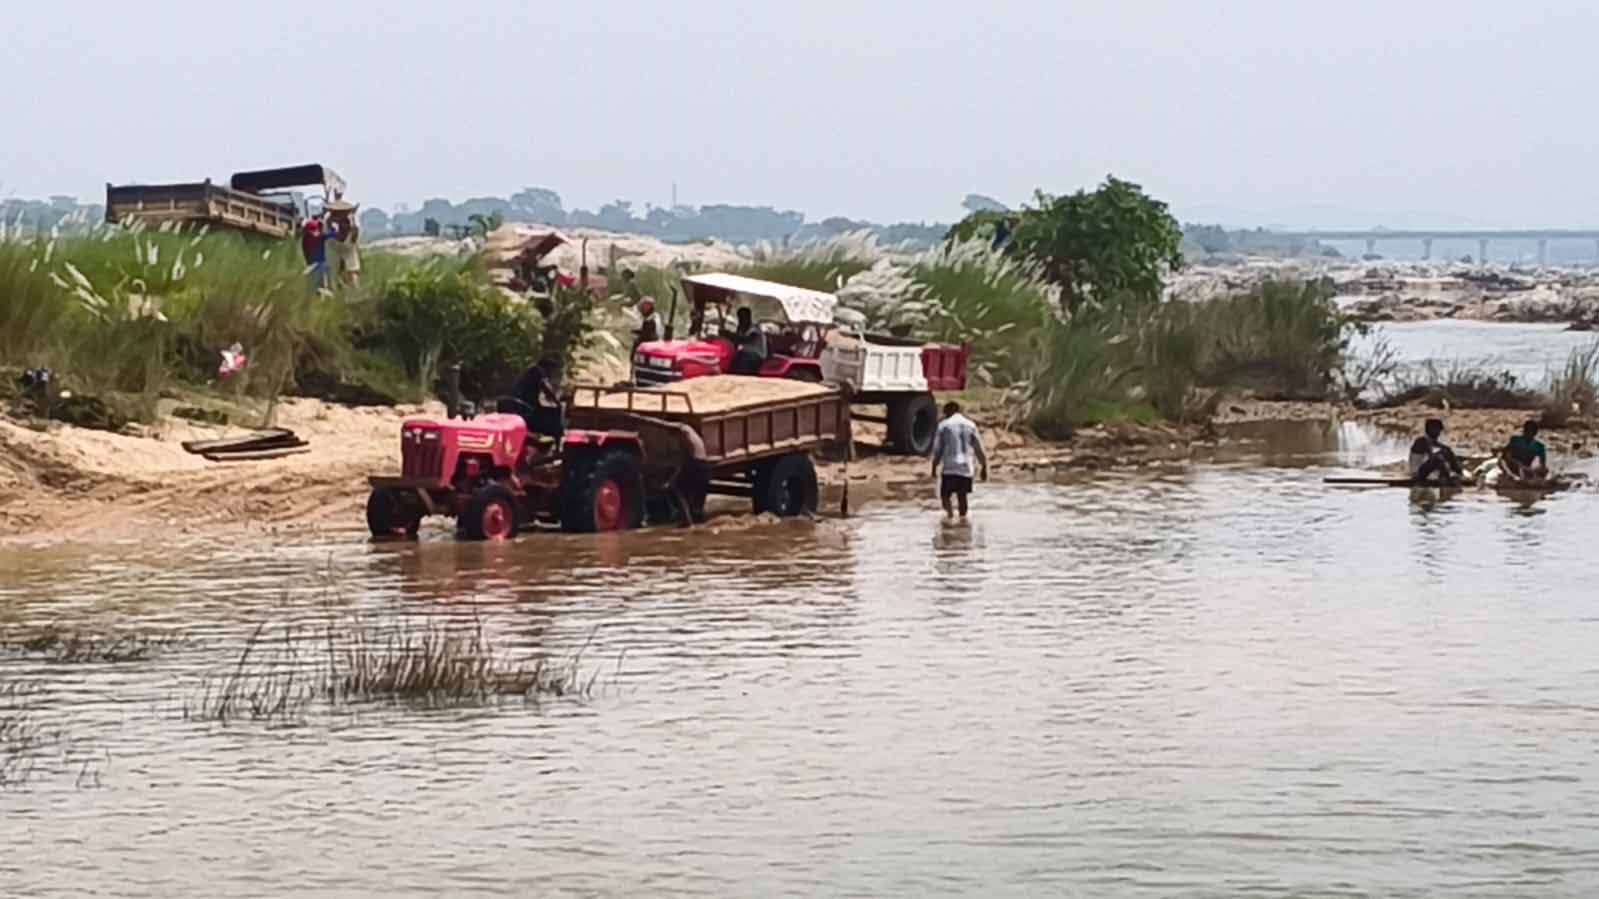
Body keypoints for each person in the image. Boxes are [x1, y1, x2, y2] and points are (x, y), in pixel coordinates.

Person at [930, 401, 988, 520]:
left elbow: (938, 449)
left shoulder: (944, 425)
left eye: (945, 412)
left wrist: (934, 466)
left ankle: (950, 517)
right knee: (962, 496)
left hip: (950, 466)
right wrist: (984, 466)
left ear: (949, 410)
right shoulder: (970, 425)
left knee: (945, 495)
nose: (944, 414)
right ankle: (963, 521)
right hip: (967, 467)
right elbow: (978, 448)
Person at [510, 357, 564, 442]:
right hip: (525, 406)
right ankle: (554, 437)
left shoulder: (530, 370)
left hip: (518, 403)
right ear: (547, 367)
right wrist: (557, 402)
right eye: (551, 370)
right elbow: (547, 390)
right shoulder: (538, 372)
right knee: (555, 411)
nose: (551, 373)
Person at [1409, 418, 1464, 484]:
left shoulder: (1431, 441)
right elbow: (1431, 454)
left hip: (1426, 472)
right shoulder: (1421, 441)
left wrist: (1447, 452)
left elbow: (1441, 448)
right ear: (1430, 430)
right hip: (1417, 474)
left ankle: (1457, 474)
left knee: (1445, 453)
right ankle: (1449, 477)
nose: (1439, 433)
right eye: (1437, 430)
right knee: (1439, 458)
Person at [729, 307, 768, 375]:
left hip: (756, 355)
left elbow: (748, 339)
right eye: (740, 317)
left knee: (743, 361)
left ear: (749, 317)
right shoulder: (740, 328)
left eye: (743, 317)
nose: (741, 319)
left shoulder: (755, 328)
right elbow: (736, 343)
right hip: (744, 353)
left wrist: (731, 336)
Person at [300, 216, 332, 290]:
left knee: (314, 283)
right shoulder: (320, 236)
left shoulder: (305, 238)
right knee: (323, 282)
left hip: (310, 263)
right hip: (319, 263)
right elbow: (333, 234)